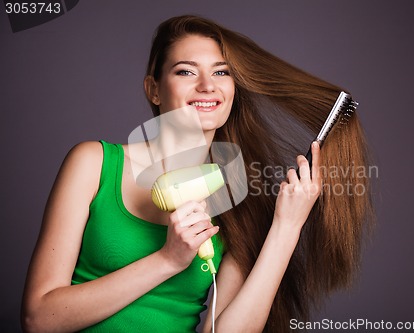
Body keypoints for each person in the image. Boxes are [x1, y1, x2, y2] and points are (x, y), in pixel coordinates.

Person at [21, 15, 373, 332]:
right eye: (186, 71)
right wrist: (167, 260)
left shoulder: (240, 199)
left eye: (222, 72)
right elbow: (38, 319)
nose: (207, 85)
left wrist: (286, 227)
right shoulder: (94, 164)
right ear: (153, 89)